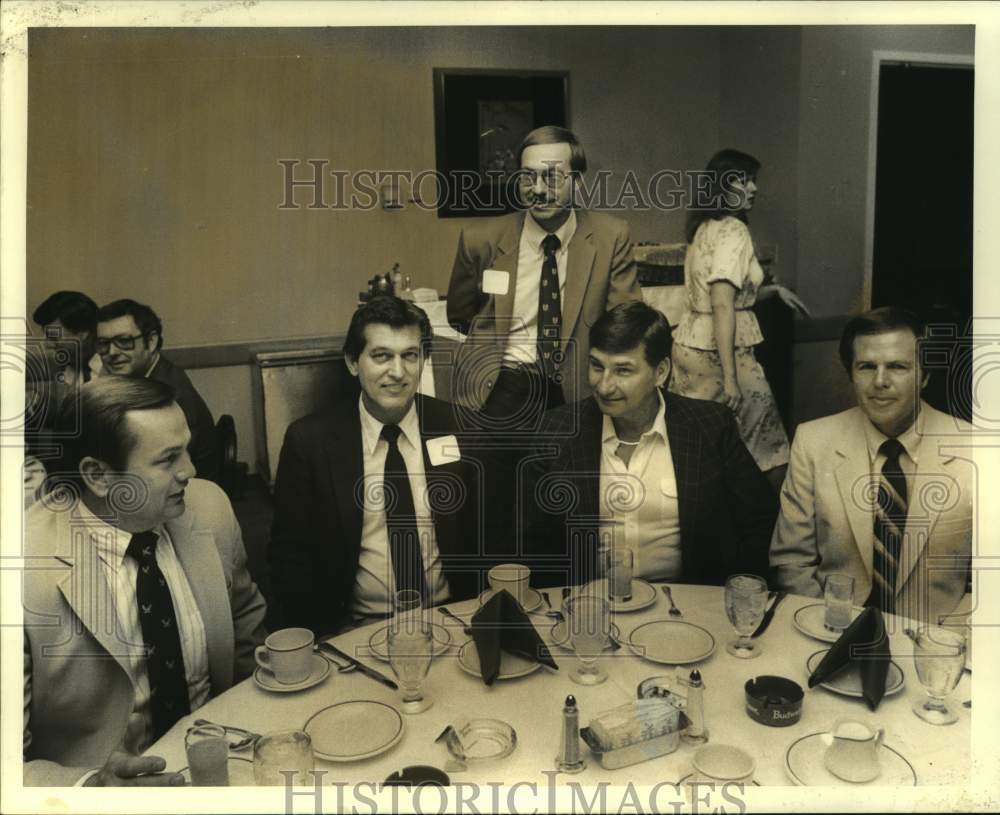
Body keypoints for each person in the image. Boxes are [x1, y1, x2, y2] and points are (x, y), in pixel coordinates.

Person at [23, 377, 267, 786]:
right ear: (98, 476)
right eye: (168, 458)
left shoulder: (209, 509)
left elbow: (248, 641)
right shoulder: (19, 569)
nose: (191, 470)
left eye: (186, 449)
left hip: (223, 767)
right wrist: (91, 790)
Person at [269, 296, 482, 636]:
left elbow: (487, 537)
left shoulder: (458, 426)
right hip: (355, 632)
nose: (397, 372)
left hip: (451, 623)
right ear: (353, 362)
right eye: (381, 356)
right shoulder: (310, 442)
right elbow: (290, 559)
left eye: (410, 356)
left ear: (424, 360)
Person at [524, 301, 777, 588]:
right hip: (589, 605)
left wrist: (730, 594)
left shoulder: (710, 425)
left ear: (660, 372)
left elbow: (760, 520)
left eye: (623, 371)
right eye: (597, 366)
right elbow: (533, 542)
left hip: (688, 604)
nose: (604, 386)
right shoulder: (556, 430)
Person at [769, 307, 973, 624]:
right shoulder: (813, 441)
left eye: (897, 366)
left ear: (925, 375)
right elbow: (791, 561)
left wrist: (949, 641)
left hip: (937, 642)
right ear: (851, 373)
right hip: (831, 632)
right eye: (866, 366)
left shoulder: (976, 450)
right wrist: (825, 626)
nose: (880, 381)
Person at [447, 125, 641, 426]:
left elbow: (624, 324)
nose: (537, 189)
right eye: (527, 176)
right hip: (500, 386)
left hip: (578, 389)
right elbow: (460, 314)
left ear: (576, 181)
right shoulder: (481, 240)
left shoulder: (610, 237)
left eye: (551, 177)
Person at [669, 149, 808, 492]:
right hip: (724, 353)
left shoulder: (705, 228)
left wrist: (772, 291)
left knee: (700, 441)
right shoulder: (734, 232)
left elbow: (722, 298)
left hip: (690, 347)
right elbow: (721, 304)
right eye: (743, 181)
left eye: (752, 181)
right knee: (770, 444)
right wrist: (731, 378)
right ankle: (774, 529)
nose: (752, 189)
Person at [97, 299, 219, 483]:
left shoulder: (168, 392)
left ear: (151, 341)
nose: (112, 352)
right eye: (103, 343)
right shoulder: (148, 376)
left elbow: (168, 468)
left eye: (124, 341)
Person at [32, 290, 102, 385]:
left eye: (53, 337)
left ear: (83, 332)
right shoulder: (70, 368)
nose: (47, 345)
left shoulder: (116, 370)